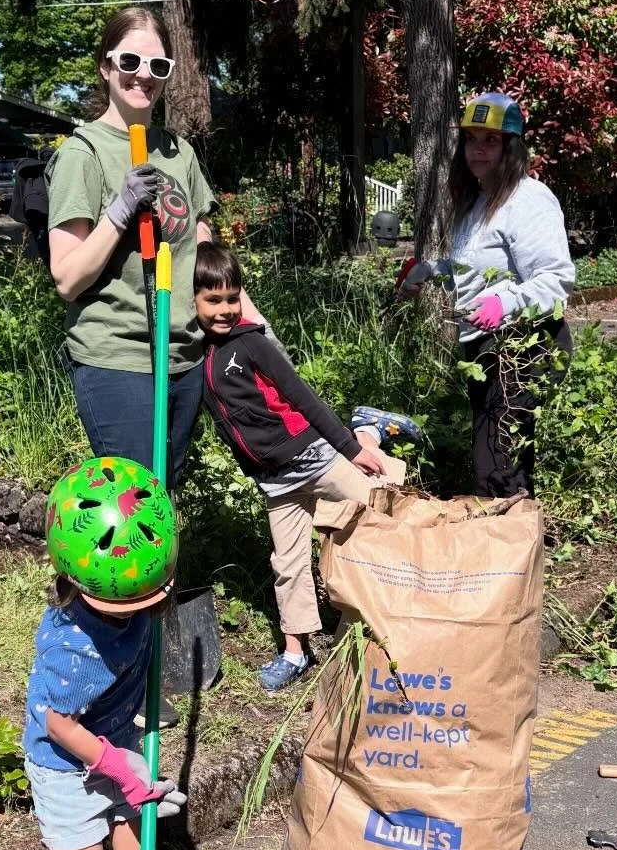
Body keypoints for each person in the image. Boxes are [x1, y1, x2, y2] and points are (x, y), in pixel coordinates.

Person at [25, 456, 204, 850]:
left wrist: (138, 728)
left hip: (119, 746)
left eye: (146, 602)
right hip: (68, 767)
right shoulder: (72, 646)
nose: (138, 614)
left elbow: (140, 655)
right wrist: (116, 764)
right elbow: (57, 725)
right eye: (124, 606)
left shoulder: (138, 598)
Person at [46, 4, 261, 485]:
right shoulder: (84, 153)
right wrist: (119, 212)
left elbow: (203, 250)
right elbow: (67, 277)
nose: (143, 76)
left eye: (158, 66)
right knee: (137, 502)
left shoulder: (177, 151)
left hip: (184, 354)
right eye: (129, 62)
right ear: (106, 66)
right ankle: (91, 564)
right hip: (118, 358)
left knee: (166, 493)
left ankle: (171, 567)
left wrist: (253, 321)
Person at [195, 240, 396, 691]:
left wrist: (348, 448)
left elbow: (303, 397)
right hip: (275, 482)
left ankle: (368, 434)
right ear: (193, 301)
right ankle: (295, 651)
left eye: (232, 298)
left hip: (315, 458)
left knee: (386, 507)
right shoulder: (196, 357)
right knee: (287, 563)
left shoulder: (252, 345)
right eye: (213, 300)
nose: (225, 309)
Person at [401, 93, 575, 497]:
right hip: (484, 347)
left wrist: (505, 303)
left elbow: (556, 279)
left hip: (524, 345)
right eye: (471, 138)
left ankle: (510, 550)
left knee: (498, 464)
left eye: (491, 140)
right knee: (496, 458)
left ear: (511, 146)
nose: (477, 148)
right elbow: (471, 269)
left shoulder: (529, 200)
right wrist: (429, 271)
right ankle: (512, 547)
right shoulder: (478, 199)